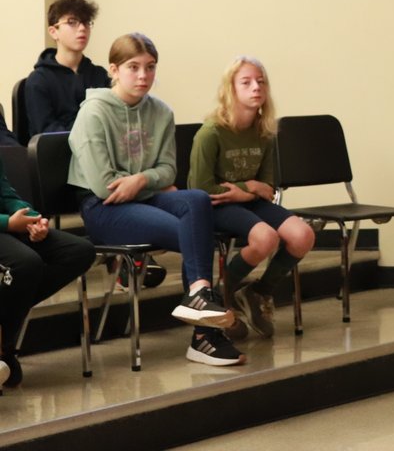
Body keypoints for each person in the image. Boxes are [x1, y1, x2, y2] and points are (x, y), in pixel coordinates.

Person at [68, 32, 244, 366]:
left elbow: (167, 169)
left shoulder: (161, 112)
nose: (143, 76)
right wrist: (150, 181)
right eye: (133, 67)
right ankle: (205, 335)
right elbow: (105, 186)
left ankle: (198, 295)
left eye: (150, 67)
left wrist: (140, 179)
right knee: (192, 232)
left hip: (141, 197)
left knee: (196, 201)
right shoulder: (92, 114)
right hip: (102, 209)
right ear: (114, 70)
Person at [188, 56, 315, 340]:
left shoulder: (264, 132)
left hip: (247, 200)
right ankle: (221, 297)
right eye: (246, 82)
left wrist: (245, 189)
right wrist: (250, 187)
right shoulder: (211, 133)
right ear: (230, 89)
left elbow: (268, 188)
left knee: (303, 235)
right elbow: (201, 189)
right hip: (216, 206)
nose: (256, 88)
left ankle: (257, 292)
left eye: (261, 82)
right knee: (266, 238)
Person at [0, 156, 96, 387]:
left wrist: (33, 219)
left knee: (78, 251)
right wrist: (8, 223)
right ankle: (5, 349)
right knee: (25, 263)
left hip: (7, 225)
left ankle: (2, 336)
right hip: (4, 225)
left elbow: (6, 193)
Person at [26, 0, 111, 136]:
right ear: (54, 32)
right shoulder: (39, 80)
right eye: (72, 22)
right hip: (58, 153)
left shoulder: (99, 75)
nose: (82, 28)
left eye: (86, 22)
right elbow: (46, 131)